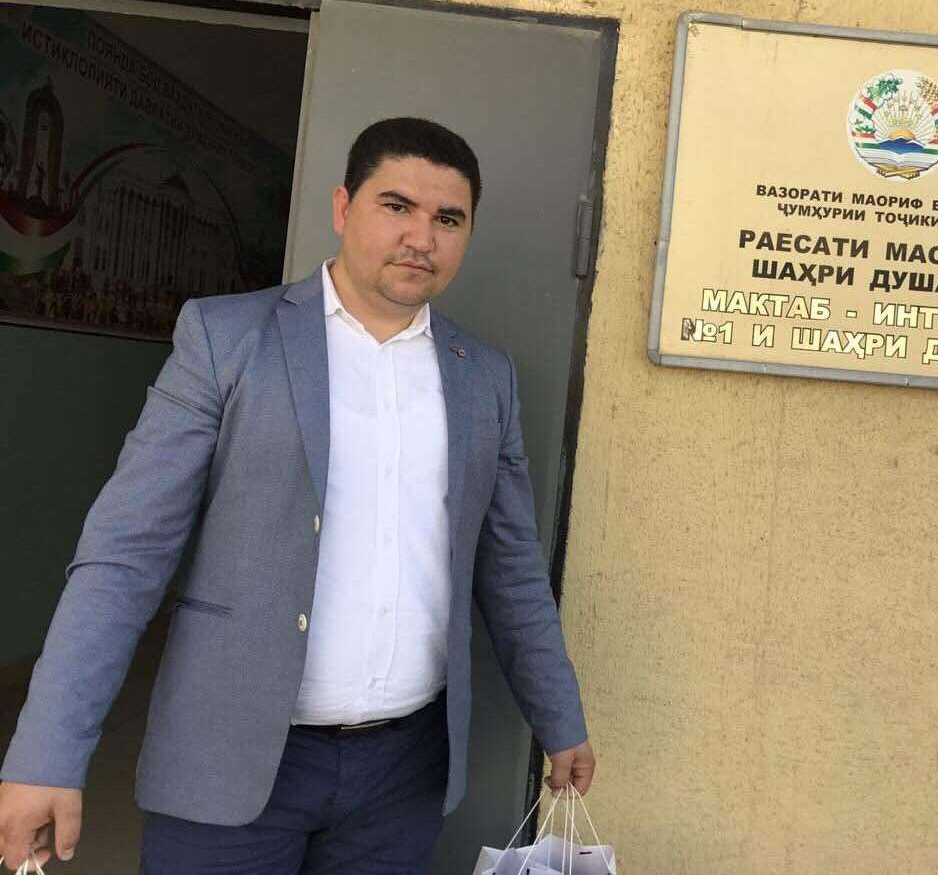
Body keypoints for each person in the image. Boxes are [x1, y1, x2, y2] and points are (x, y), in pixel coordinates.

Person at [0, 117, 594, 874]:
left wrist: (559, 718)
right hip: (230, 756)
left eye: (448, 219)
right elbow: (124, 558)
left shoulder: (484, 377)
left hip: (403, 773)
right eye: (397, 206)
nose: (421, 237)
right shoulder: (226, 340)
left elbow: (511, 571)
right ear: (344, 208)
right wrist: (48, 752)